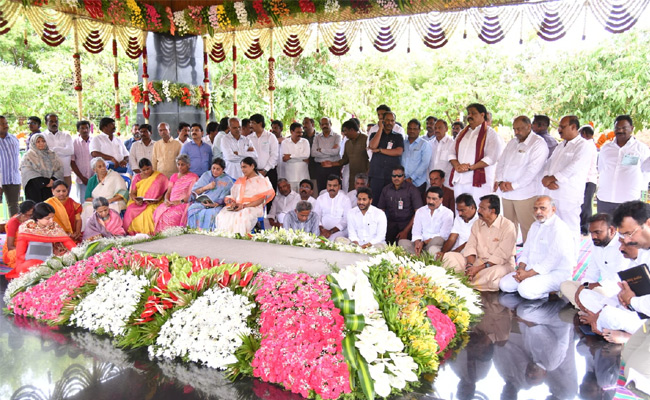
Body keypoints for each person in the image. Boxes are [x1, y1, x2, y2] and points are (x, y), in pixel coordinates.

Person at [499, 196, 576, 299]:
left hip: (554, 273)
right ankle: (535, 287)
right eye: (535, 208)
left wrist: (527, 274)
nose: (538, 212)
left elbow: (552, 261)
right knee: (504, 285)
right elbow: (526, 251)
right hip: (531, 269)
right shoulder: (535, 225)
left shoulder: (559, 229)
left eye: (542, 208)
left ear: (553, 209)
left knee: (524, 289)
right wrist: (521, 270)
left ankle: (553, 293)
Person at [442, 194, 516, 291]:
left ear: (492, 210)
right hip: (478, 261)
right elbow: (471, 246)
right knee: (449, 257)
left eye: (482, 208)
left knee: (495, 275)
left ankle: (461, 281)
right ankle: (470, 280)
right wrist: (469, 266)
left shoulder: (507, 226)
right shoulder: (478, 223)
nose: (478, 211)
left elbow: (501, 255)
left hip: (498, 265)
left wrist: (478, 269)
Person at [495, 115, 549, 242]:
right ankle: (509, 257)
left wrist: (513, 185)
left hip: (525, 194)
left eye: (519, 129)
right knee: (508, 228)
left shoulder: (538, 144)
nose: (516, 132)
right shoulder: (512, 142)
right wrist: (500, 181)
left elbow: (532, 171)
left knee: (528, 228)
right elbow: (501, 163)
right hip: (507, 194)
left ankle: (529, 259)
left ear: (529, 127)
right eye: (514, 129)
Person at [542, 115, 596, 241]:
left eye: (562, 127)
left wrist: (552, 178)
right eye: (559, 127)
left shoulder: (583, 145)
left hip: (568, 195)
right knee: (552, 228)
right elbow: (549, 163)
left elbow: (574, 166)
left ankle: (571, 258)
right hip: (551, 193)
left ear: (573, 127)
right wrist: (546, 178)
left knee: (569, 228)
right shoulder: (561, 145)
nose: (559, 130)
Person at [560, 213, 626, 308]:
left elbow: (617, 280)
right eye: (591, 233)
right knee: (565, 285)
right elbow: (592, 273)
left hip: (615, 291)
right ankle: (590, 309)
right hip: (597, 288)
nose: (593, 236)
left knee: (601, 292)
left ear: (611, 230)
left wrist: (587, 287)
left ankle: (588, 309)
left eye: (597, 232)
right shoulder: (596, 244)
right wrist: (584, 287)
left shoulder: (623, 246)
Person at [449, 103, 504, 205]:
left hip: (479, 182)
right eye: (468, 113)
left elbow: (491, 157)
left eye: (473, 113)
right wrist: (457, 166)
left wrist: (470, 168)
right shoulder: (462, 133)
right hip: (460, 179)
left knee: (479, 211)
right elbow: (451, 152)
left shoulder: (490, 134)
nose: (469, 116)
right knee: (461, 211)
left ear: (482, 115)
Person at [6, 202, 76, 280]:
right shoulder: (26, 227)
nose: (51, 221)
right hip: (29, 262)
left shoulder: (54, 226)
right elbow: (20, 254)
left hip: (50, 258)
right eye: (48, 218)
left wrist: (78, 253)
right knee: (33, 266)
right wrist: (37, 261)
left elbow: (69, 243)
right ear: (38, 217)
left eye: (52, 217)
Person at [597, 115, 650, 215]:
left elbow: (646, 173)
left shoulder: (641, 149)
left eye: (624, 128)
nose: (620, 130)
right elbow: (601, 169)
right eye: (617, 128)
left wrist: (641, 197)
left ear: (631, 128)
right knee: (605, 230)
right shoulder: (606, 148)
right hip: (605, 199)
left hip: (630, 200)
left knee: (628, 230)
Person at [216, 157, 275, 235]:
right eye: (241, 168)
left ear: (252, 166)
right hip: (239, 206)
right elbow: (233, 196)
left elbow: (260, 200)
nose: (243, 170)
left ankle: (240, 238)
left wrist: (244, 206)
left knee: (242, 215)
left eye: (245, 167)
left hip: (253, 207)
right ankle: (227, 238)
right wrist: (233, 202)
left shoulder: (261, 180)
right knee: (224, 213)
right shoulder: (240, 180)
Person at [399, 186, 453, 256]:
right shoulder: (420, 211)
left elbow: (444, 235)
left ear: (441, 200)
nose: (430, 201)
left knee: (437, 241)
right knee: (402, 242)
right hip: (420, 244)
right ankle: (420, 255)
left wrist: (424, 242)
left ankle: (418, 257)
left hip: (435, 244)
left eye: (434, 199)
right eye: (428, 198)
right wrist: (417, 244)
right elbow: (416, 232)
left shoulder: (447, 213)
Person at [152, 154, 199, 233]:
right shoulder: (174, 176)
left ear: (188, 165)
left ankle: (173, 236)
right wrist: (166, 200)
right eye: (178, 164)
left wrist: (179, 202)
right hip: (171, 202)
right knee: (159, 210)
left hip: (183, 203)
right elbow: (168, 192)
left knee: (171, 215)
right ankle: (161, 236)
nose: (180, 167)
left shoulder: (193, 177)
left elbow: (191, 195)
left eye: (182, 165)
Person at [377, 166, 423, 244]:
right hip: (390, 224)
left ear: (404, 176)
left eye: (399, 176)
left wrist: (406, 231)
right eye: (394, 176)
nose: (396, 178)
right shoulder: (386, 189)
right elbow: (380, 211)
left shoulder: (412, 189)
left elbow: (418, 212)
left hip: (408, 225)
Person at [123, 158, 169, 235]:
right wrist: (136, 200)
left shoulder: (159, 177)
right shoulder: (137, 177)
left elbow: (164, 191)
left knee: (148, 212)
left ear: (151, 166)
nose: (146, 171)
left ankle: (149, 233)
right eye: (144, 170)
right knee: (130, 210)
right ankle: (133, 232)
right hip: (140, 202)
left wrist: (157, 200)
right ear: (140, 170)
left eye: (148, 169)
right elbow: (133, 193)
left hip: (155, 202)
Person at [368, 111, 404, 205]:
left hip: (391, 175)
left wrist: (380, 150)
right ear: (382, 121)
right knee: (375, 201)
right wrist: (380, 128)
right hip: (376, 174)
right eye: (387, 120)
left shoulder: (398, 136)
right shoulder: (374, 134)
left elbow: (398, 151)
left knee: (391, 201)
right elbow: (372, 146)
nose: (390, 123)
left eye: (392, 121)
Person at [186, 158, 233, 231]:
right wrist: (206, 187)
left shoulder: (228, 181)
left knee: (211, 213)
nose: (215, 171)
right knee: (192, 209)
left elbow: (224, 197)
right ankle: (193, 231)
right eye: (213, 168)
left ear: (223, 169)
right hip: (201, 203)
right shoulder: (206, 175)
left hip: (216, 205)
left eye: (218, 169)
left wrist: (214, 204)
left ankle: (208, 234)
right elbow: (194, 192)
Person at [80, 157, 128, 229]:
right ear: (94, 170)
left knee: (111, 207)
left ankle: (112, 230)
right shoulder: (91, 180)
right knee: (87, 208)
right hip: (97, 202)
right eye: (100, 167)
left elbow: (123, 193)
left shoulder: (114, 175)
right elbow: (87, 197)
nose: (103, 168)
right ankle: (92, 231)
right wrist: (99, 202)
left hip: (113, 201)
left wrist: (109, 200)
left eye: (104, 165)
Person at [324, 119, 369, 192]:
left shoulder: (365, 139)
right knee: (352, 196)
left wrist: (368, 173)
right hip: (353, 177)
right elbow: (345, 159)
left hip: (365, 176)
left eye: (345, 131)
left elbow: (371, 158)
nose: (344, 133)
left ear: (351, 130)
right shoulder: (347, 143)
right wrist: (332, 164)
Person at [20, 133, 64, 203]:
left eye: (43, 141)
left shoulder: (52, 154)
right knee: (37, 211)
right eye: (38, 142)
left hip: (51, 187)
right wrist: (45, 181)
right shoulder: (28, 156)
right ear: (33, 143)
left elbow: (60, 168)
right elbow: (28, 172)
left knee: (52, 209)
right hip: (35, 189)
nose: (41, 143)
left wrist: (53, 180)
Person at [437, 193, 479, 259]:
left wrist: (453, 253)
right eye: (458, 210)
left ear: (472, 207)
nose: (459, 214)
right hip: (456, 251)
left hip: (471, 252)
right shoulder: (459, 218)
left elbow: (470, 242)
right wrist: (443, 253)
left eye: (462, 210)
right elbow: (452, 238)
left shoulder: (480, 219)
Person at [314, 174, 352, 241]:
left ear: (339, 187)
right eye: (329, 185)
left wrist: (330, 231)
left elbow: (346, 220)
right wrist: (322, 229)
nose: (332, 188)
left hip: (339, 231)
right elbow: (316, 216)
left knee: (332, 240)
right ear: (326, 186)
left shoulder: (345, 200)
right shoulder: (320, 198)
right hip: (322, 230)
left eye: (334, 186)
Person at [41, 113, 74, 188]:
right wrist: (63, 150)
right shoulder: (42, 137)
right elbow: (43, 153)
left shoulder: (66, 136)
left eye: (56, 121)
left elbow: (70, 151)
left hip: (65, 173)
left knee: (65, 197)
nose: (54, 123)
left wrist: (54, 149)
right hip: (49, 175)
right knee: (50, 199)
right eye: (51, 121)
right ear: (46, 123)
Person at [248, 114, 279, 192]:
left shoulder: (270, 136)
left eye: (253, 123)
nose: (251, 125)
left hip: (269, 172)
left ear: (260, 124)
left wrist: (265, 170)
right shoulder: (249, 138)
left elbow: (274, 155)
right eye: (250, 123)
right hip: (254, 172)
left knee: (269, 198)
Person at [2, 200, 35, 270]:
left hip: (29, 247)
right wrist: (25, 251)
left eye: (32, 215)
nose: (31, 217)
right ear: (22, 213)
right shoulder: (13, 222)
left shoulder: (33, 220)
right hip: (15, 250)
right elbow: (10, 246)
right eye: (29, 215)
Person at [402, 119, 432, 194]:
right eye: (410, 128)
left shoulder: (424, 144)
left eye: (415, 129)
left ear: (419, 130)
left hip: (418, 183)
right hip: (402, 181)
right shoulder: (403, 143)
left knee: (417, 205)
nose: (412, 131)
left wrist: (412, 178)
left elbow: (425, 164)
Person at [311, 117, 342, 193]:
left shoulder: (337, 136)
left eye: (326, 124)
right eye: (322, 124)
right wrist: (330, 152)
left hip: (333, 168)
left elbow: (336, 152)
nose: (324, 126)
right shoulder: (317, 137)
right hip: (320, 168)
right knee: (321, 191)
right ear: (320, 126)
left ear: (330, 124)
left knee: (335, 191)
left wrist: (321, 150)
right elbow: (313, 153)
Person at [279, 122, 310, 192]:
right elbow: (285, 158)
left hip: (303, 176)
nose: (300, 134)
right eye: (298, 132)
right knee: (291, 198)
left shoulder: (305, 142)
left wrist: (290, 156)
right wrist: (301, 158)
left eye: (301, 132)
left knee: (304, 198)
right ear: (291, 132)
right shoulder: (285, 142)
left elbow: (306, 155)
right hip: (290, 177)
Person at [579, 125, 599, 235]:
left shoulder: (588, 146)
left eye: (580, 133)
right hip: (586, 179)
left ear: (585, 134)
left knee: (586, 205)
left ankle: (585, 228)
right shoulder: (589, 145)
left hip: (589, 180)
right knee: (583, 204)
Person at [0, 115, 21, 216]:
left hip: (13, 179)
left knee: (14, 206)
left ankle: (14, 231)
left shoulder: (14, 139)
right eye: (2, 124)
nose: (5, 126)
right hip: (0, 179)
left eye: (6, 123)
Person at [71, 121, 93, 202]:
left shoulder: (94, 141)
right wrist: (82, 177)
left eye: (87, 128)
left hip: (94, 178)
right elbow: (72, 162)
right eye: (82, 128)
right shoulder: (74, 143)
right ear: (78, 130)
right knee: (83, 202)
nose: (85, 130)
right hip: (81, 180)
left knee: (95, 202)